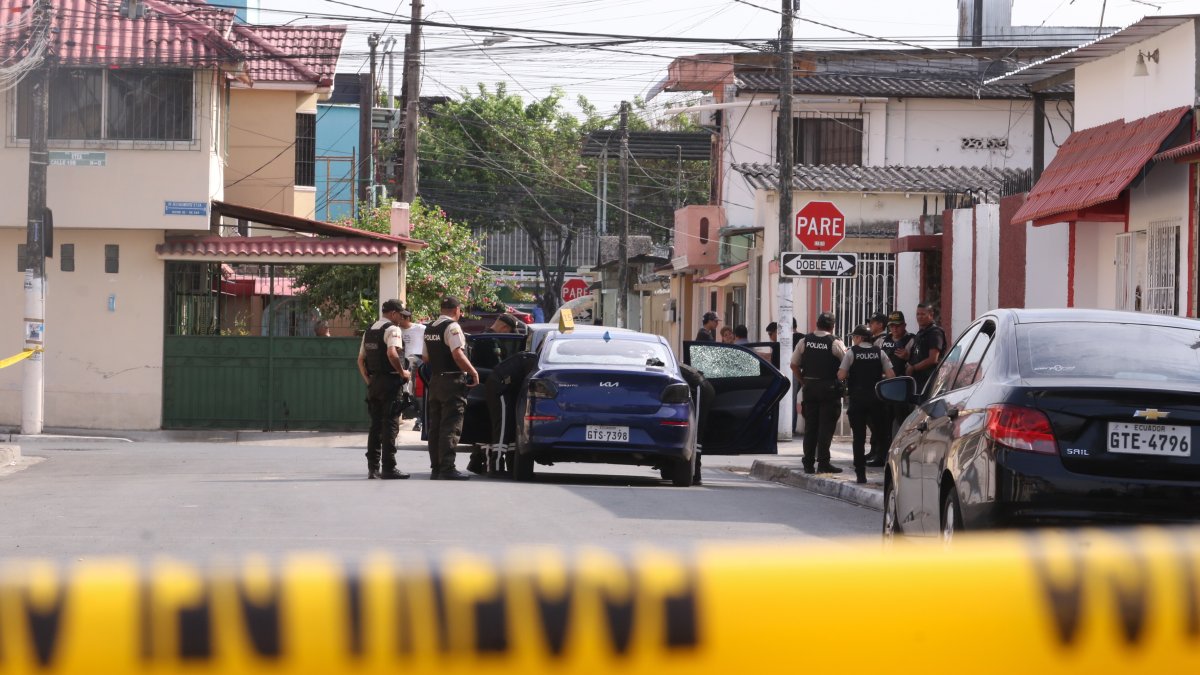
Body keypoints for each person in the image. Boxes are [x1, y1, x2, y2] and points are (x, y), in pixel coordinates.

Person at [423, 296, 480, 481]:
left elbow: (425, 358)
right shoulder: (453, 327)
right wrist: (473, 371)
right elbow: (457, 354)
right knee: (450, 425)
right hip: (452, 381)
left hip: (436, 381)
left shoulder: (429, 328)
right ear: (456, 310)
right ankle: (447, 468)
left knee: (436, 427)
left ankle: (436, 468)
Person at [355, 299, 412, 480]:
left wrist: (369, 381)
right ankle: (389, 467)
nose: (401, 319)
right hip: (390, 382)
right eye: (400, 315)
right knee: (390, 425)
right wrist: (402, 372)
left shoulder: (370, 331)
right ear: (393, 313)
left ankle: (373, 467)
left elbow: (360, 361)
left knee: (376, 426)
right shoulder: (392, 329)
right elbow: (392, 353)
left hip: (375, 383)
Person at [467, 314, 523, 474]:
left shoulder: (491, 338)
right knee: (497, 426)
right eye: (511, 331)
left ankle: (478, 462)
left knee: (489, 427)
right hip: (490, 388)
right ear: (505, 328)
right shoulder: (488, 340)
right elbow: (495, 367)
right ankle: (491, 463)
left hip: (487, 388)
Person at [790, 312, 846, 474]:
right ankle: (823, 463)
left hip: (810, 387)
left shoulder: (805, 341)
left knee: (811, 427)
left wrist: (803, 381)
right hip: (829, 389)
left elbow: (793, 365)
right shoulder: (835, 342)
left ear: (817, 323)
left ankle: (808, 463)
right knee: (825, 428)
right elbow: (846, 364)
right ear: (832, 326)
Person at [839, 325, 895, 484]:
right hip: (877, 400)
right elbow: (891, 375)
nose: (853, 340)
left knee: (859, 438)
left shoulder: (851, 352)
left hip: (857, 401)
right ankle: (887, 473)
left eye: (854, 337)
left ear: (860, 338)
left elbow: (841, 375)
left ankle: (860, 474)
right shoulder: (880, 352)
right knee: (882, 436)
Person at [483, 350, 540, 476]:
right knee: (502, 427)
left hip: (503, 387)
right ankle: (496, 466)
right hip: (500, 389)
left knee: (510, 426)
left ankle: (511, 465)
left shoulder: (529, 358)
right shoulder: (535, 362)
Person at [879, 310, 917, 440]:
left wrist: (908, 357)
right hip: (885, 386)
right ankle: (881, 453)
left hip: (901, 388)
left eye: (897, 325)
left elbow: (917, 363)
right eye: (892, 326)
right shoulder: (884, 340)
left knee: (903, 422)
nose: (894, 329)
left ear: (904, 325)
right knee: (883, 423)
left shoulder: (911, 340)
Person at [678, 363, 715, 486]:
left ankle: (695, 474)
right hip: (698, 387)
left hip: (700, 387)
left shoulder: (659, 362)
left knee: (696, 434)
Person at [907, 302, 947, 395]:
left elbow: (933, 359)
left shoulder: (935, 333)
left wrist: (913, 368)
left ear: (931, 315)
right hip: (917, 380)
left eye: (923, 314)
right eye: (917, 314)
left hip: (929, 381)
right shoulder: (921, 333)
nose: (919, 317)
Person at [396, 308, 425, 432]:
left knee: (418, 393)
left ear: (407, 318)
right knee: (406, 392)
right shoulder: (397, 330)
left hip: (418, 363)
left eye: (401, 318)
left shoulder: (420, 329)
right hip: (403, 364)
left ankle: (419, 420)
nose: (399, 320)